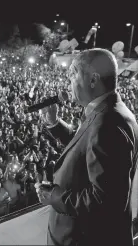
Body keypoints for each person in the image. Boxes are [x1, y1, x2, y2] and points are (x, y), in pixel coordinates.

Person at [37, 48, 138, 246]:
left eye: (74, 74)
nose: (69, 82)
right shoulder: (108, 111)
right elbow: (86, 147)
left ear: (93, 80)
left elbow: (105, 201)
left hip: (84, 238)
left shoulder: (107, 124)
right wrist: (55, 124)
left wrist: (54, 196)